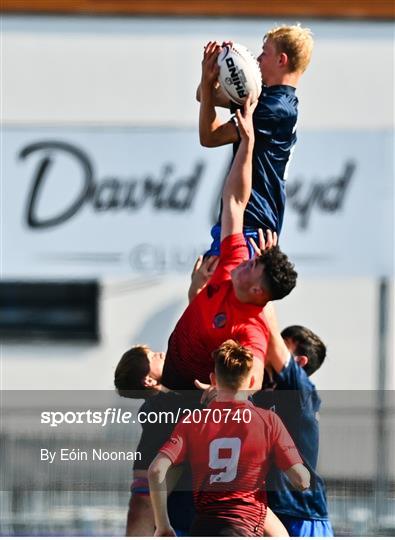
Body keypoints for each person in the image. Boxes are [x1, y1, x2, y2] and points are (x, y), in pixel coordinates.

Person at [116, 95, 297, 396]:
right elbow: (235, 202)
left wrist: (234, 394)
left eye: (252, 265)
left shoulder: (249, 327)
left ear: (256, 292)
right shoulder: (233, 261)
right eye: (252, 259)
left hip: (188, 393)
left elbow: (254, 374)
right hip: (175, 380)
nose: (246, 260)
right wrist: (248, 143)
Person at [148, 340, 310, 537]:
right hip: (245, 527)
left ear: (213, 380)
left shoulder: (192, 421)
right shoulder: (268, 420)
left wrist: (163, 526)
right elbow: (301, 480)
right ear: (251, 382)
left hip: (203, 527)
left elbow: (156, 470)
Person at [197, 25, 314, 256]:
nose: (257, 59)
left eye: (264, 52)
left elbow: (209, 136)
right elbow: (203, 96)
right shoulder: (269, 99)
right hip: (241, 223)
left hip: (251, 227)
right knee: (203, 290)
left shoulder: (274, 109)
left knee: (213, 290)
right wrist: (217, 71)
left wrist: (208, 79)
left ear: (281, 60)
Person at [254, 307, 334, 537]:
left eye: (281, 346)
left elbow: (268, 332)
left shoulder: (301, 393)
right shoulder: (256, 393)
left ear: (298, 362)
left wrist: (260, 299)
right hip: (264, 513)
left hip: (301, 513)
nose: (269, 350)